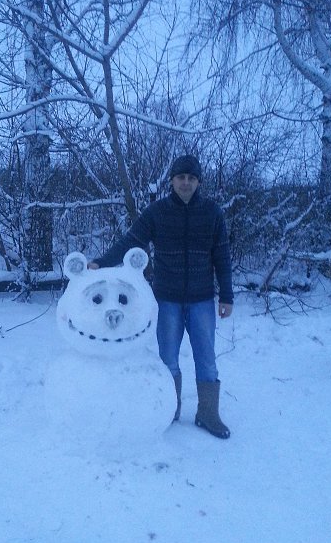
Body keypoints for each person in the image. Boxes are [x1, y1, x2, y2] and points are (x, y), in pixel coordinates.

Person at [88, 154, 233, 439]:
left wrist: (226, 296)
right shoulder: (157, 212)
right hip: (167, 300)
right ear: (172, 180)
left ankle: (208, 413)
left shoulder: (212, 213)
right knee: (168, 358)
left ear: (198, 182)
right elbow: (131, 241)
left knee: (206, 358)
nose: (186, 183)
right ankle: (169, 409)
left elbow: (222, 256)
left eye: (191, 178)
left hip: (202, 299)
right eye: (181, 177)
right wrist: (102, 263)